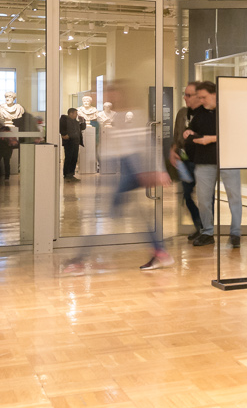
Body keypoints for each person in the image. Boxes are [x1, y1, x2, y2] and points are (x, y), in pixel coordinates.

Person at [66, 78, 173, 271]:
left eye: (108, 93)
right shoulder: (117, 117)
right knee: (133, 214)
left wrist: (158, 171)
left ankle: (80, 259)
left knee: (102, 214)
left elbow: (148, 144)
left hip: (132, 169)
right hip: (123, 170)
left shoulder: (132, 115)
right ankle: (160, 251)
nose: (104, 97)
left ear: (117, 94)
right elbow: (113, 148)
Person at [184, 80, 241, 248]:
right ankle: (207, 232)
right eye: (199, 97)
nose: (201, 101)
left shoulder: (229, 110)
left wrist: (211, 139)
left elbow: (236, 133)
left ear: (215, 94)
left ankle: (235, 233)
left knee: (234, 197)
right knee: (203, 199)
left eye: (204, 97)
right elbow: (193, 132)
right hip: (204, 161)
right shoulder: (199, 113)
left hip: (229, 159)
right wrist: (189, 133)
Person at [167, 83, 204, 242]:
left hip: (202, 161)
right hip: (185, 161)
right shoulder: (182, 113)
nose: (185, 98)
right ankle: (200, 227)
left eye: (189, 95)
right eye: (185, 94)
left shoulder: (207, 114)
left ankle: (206, 230)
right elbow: (177, 135)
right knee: (187, 196)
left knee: (205, 198)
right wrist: (173, 151)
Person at [60, 107, 84, 181]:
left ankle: (71, 174)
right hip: (69, 142)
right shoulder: (64, 120)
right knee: (69, 158)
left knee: (74, 158)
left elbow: (82, 128)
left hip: (75, 142)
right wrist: (64, 134)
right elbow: (61, 128)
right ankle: (66, 175)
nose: (76, 115)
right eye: (75, 114)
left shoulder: (75, 122)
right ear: (71, 113)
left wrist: (83, 121)